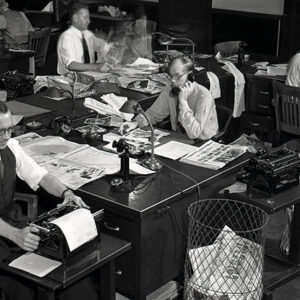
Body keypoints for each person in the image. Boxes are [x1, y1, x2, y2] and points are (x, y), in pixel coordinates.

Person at [0, 102, 99, 300]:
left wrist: (66, 193)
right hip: (6, 233)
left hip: (12, 222)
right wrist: (15, 235)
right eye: (0, 131)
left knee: (64, 268)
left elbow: (41, 176)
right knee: (24, 283)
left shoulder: (10, 147)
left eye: (9, 129)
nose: (6, 137)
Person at [120, 56, 219, 140]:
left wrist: (183, 102)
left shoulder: (204, 96)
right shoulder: (169, 90)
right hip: (179, 140)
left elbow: (194, 133)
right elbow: (153, 114)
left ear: (190, 75)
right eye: (170, 75)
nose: (172, 81)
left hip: (202, 142)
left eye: (177, 76)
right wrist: (135, 123)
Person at [57, 3, 112, 75]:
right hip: (70, 79)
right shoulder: (66, 38)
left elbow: (101, 45)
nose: (89, 21)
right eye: (85, 18)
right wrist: (96, 67)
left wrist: (111, 47)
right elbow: (71, 65)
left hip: (89, 76)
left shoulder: (86, 33)